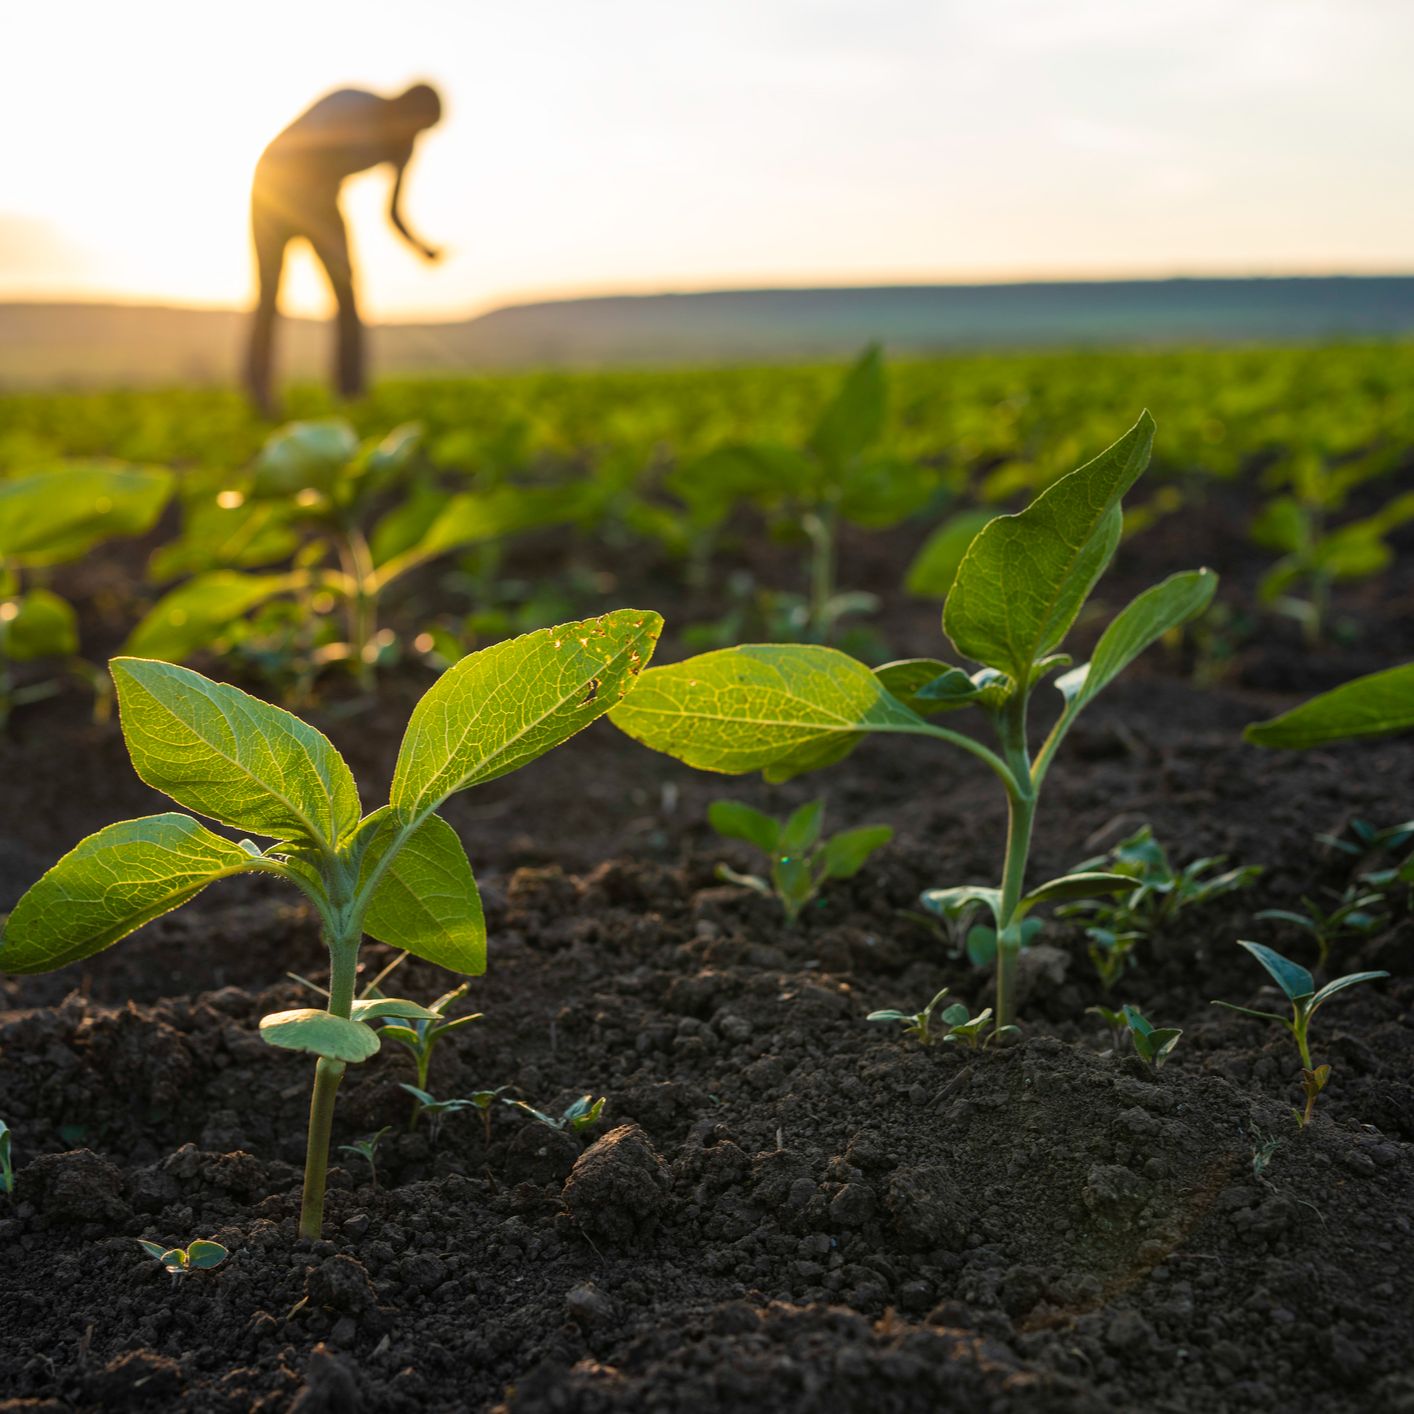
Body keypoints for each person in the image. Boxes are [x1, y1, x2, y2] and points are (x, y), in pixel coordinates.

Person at [245, 83, 443, 415]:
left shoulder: (403, 146)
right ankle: (260, 393)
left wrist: (420, 247)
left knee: (347, 293)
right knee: (270, 293)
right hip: (273, 187)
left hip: (322, 198)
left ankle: (350, 393)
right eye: (416, 123)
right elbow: (304, 158)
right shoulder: (352, 105)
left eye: (422, 130)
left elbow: (393, 212)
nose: (414, 132)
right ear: (403, 105)